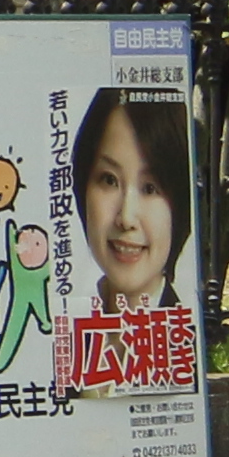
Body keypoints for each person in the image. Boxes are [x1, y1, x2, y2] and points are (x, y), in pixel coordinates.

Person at [69, 89, 191, 317]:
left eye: (150, 188)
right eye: (109, 180)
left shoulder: (185, 342)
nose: (126, 218)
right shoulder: (65, 332)